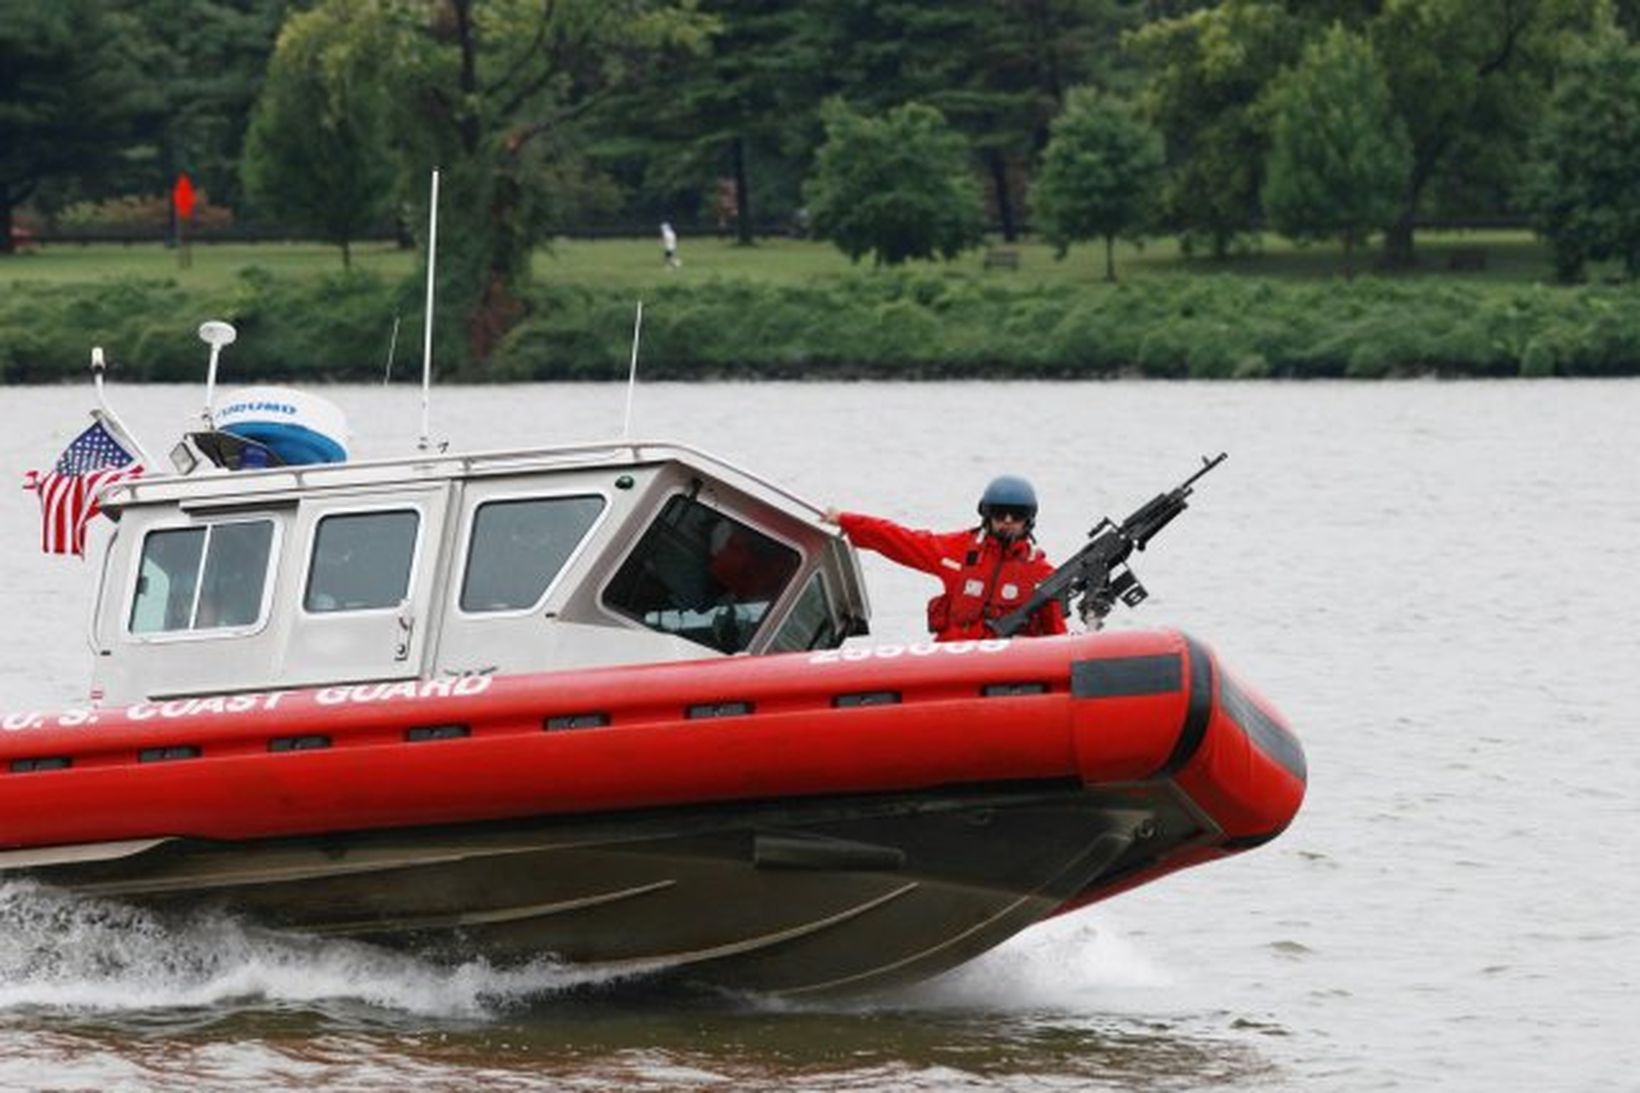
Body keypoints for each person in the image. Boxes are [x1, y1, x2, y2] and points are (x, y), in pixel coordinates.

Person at [824, 475, 1067, 641]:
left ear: (1029, 520)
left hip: (1006, 672)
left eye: (1017, 515)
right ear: (986, 514)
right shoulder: (958, 550)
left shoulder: (1041, 574)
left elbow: (1057, 634)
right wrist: (847, 521)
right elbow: (900, 540)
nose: (1007, 521)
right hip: (952, 659)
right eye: (999, 513)